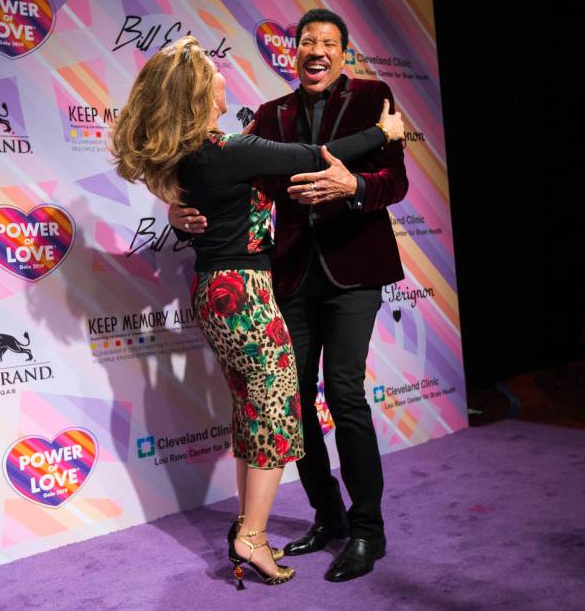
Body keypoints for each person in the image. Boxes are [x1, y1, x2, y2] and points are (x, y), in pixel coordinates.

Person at [111, 36, 404, 588]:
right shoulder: (225, 149)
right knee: (272, 412)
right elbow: (313, 156)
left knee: (251, 408)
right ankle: (252, 538)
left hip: (218, 292)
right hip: (242, 293)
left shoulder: (196, 152)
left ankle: (250, 526)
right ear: (200, 91)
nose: (224, 77)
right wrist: (383, 134)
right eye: (213, 71)